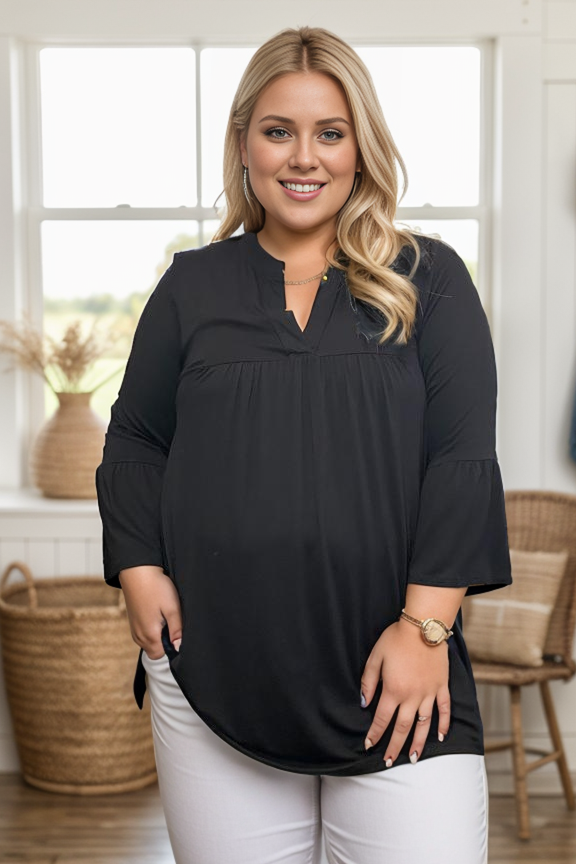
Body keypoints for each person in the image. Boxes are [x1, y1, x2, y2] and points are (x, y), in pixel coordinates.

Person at [95, 25, 512, 864]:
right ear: (244, 142)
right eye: (278, 130)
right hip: (216, 669)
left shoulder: (430, 278)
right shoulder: (190, 286)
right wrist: (138, 569)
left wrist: (426, 630)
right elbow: (136, 438)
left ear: (361, 148)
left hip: (400, 676)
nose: (304, 157)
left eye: (331, 132)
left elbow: (461, 459)